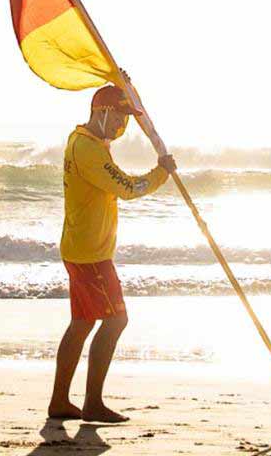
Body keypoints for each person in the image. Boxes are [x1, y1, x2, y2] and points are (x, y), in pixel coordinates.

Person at [48, 83, 176, 423]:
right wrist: (161, 173)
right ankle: (92, 403)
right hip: (90, 254)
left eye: (127, 118)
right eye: (120, 116)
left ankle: (60, 401)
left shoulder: (87, 142)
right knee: (116, 320)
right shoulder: (88, 150)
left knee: (82, 323)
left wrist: (125, 85)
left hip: (82, 247)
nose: (123, 125)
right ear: (102, 113)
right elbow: (126, 188)